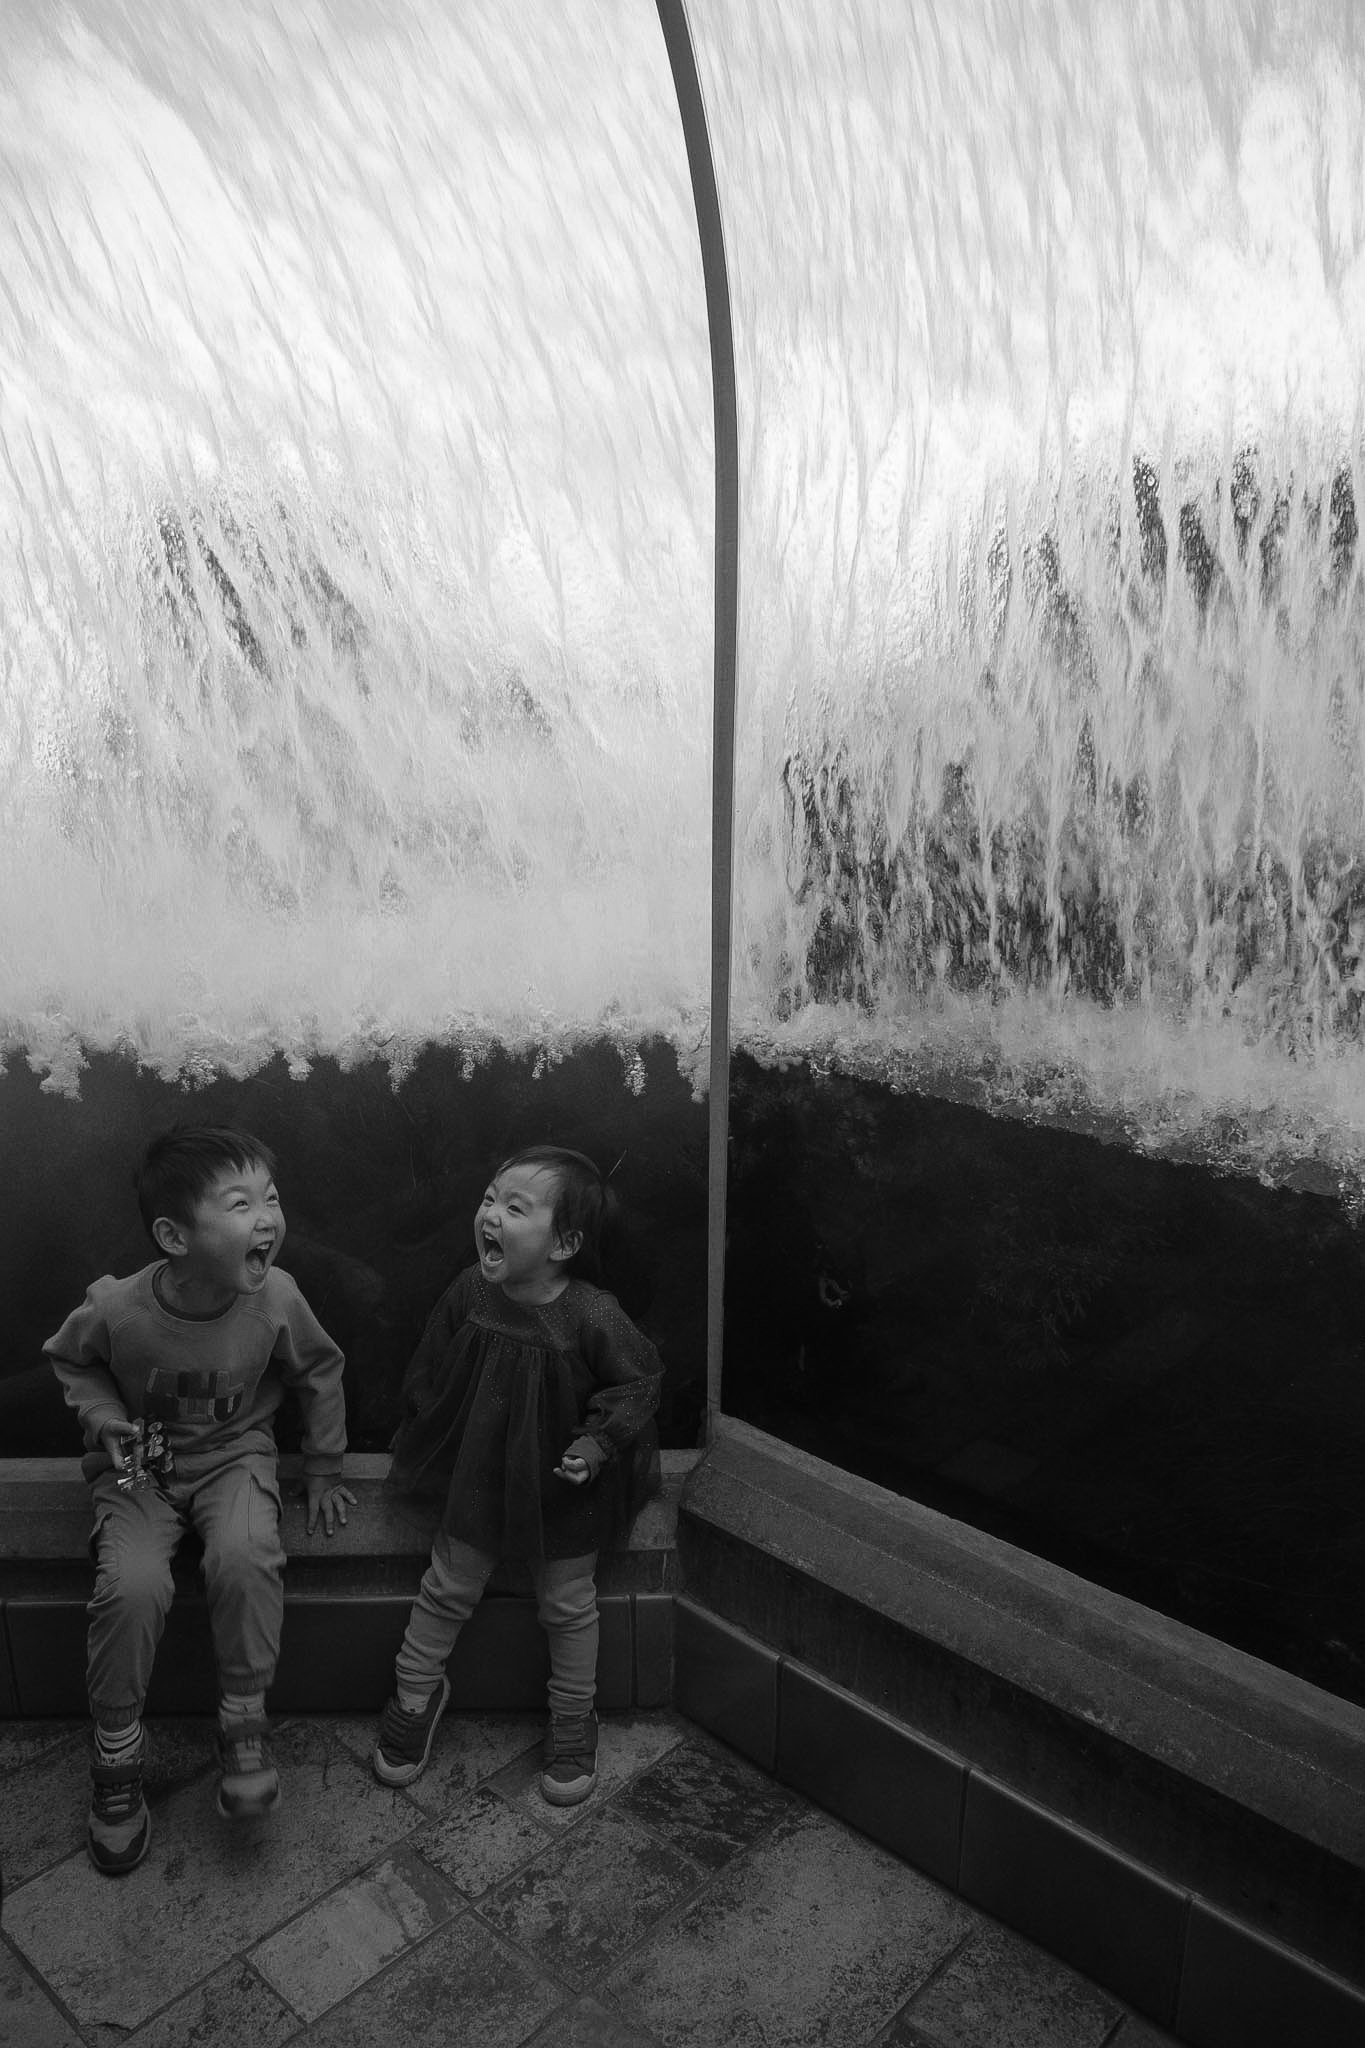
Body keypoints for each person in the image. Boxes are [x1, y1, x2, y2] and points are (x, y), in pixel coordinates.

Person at [44, 1123, 355, 1875]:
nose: (267, 1220)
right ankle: (116, 1751)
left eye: (271, 1200)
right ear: (173, 1235)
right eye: (241, 1204)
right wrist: (101, 1419)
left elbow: (319, 1370)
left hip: (237, 1450)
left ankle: (243, 1723)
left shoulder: (276, 1296)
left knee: (246, 1555)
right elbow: (69, 1361)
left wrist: (323, 1468)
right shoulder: (118, 1308)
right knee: (133, 1584)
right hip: (143, 1455)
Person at [372, 1145, 661, 1805]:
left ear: (563, 1243)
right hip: (474, 1472)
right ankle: (415, 1696)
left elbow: (640, 1380)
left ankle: (570, 1719)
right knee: (446, 1585)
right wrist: (425, 1426)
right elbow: (431, 1358)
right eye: (488, 1198)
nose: (490, 1215)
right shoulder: (471, 1289)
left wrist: (596, 1443)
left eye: (514, 1207)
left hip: (562, 1487)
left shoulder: (591, 1313)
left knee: (567, 1602)